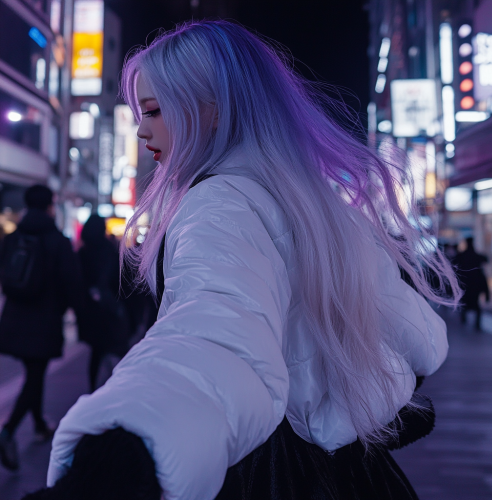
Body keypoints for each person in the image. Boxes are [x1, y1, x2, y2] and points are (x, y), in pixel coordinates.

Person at [35, 21, 460, 499]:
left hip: (269, 474)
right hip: (357, 474)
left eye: (153, 110)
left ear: (212, 110)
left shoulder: (221, 201)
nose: (140, 128)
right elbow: (416, 336)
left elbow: (215, 335)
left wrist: (116, 460)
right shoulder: (314, 202)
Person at [0, 185, 83, 471]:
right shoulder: (56, 241)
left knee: (34, 373)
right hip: (43, 320)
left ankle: (38, 425)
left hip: (13, 318)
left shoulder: (12, 238)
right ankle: (8, 431)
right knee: (35, 375)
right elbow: (71, 283)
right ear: (50, 206)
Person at [77, 215, 129, 391]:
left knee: (96, 352)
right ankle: (115, 387)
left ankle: (92, 387)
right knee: (114, 347)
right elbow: (120, 281)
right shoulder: (110, 251)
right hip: (110, 308)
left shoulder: (82, 254)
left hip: (90, 310)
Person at [455, 236, 489, 330]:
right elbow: (485, 260)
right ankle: (476, 324)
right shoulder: (476, 256)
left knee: (465, 302)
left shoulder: (462, 256)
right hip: (475, 282)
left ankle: (465, 319)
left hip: (465, 282)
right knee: (476, 304)